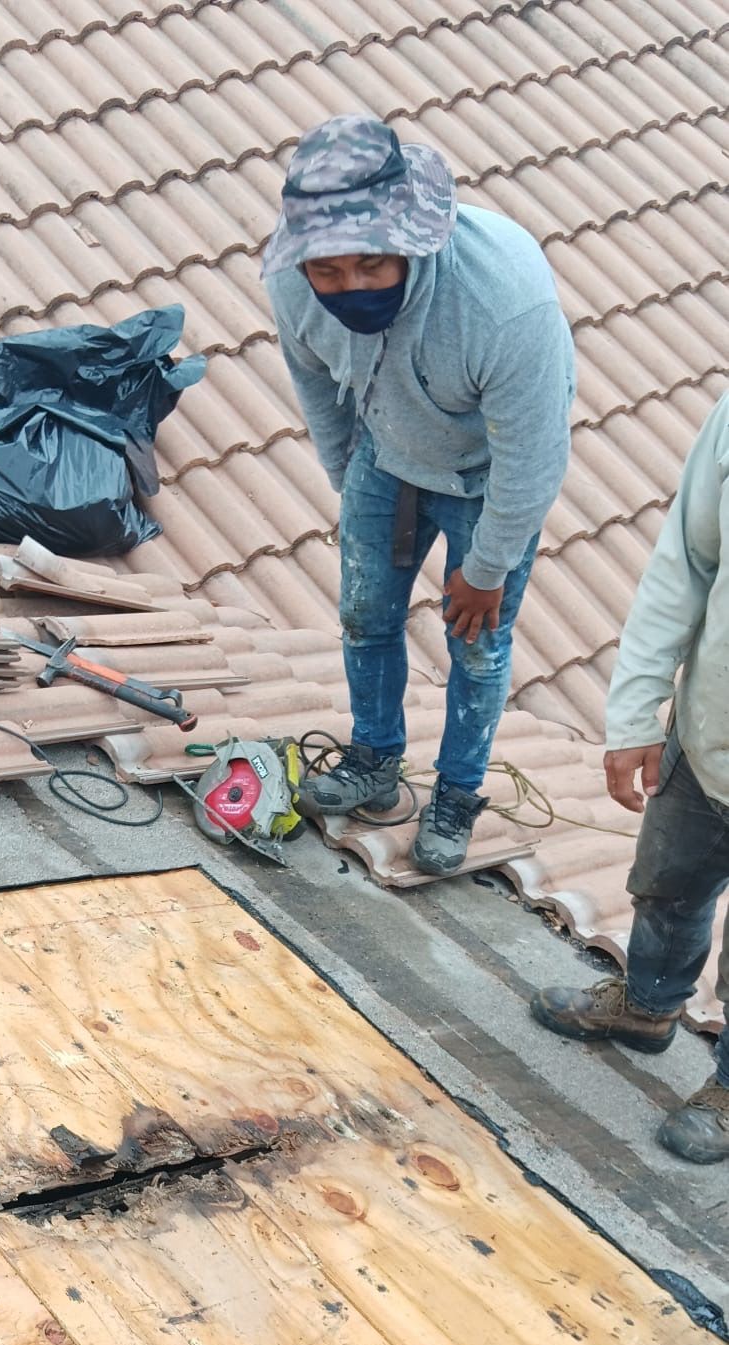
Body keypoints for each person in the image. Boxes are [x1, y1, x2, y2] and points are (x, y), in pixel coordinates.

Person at [263, 113, 575, 874]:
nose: (348, 287)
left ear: (410, 242)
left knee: (476, 644)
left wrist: (489, 566)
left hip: (483, 481)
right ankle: (374, 758)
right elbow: (322, 397)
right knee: (365, 612)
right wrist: (353, 491)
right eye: (328, 271)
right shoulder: (289, 285)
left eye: (372, 265)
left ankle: (459, 790)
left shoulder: (502, 304)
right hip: (386, 455)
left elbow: (533, 458)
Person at [531, 394, 729, 1164]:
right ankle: (647, 1008)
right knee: (667, 885)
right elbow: (687, 561)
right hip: (712, 732)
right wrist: (638, 711)